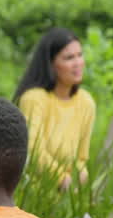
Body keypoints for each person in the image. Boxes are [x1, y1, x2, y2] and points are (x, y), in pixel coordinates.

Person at [13, 28, 95, 189]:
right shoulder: (33, 99)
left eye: (80, 55)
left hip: (69, 195)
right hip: (35, 191)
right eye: (69, 58)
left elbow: (81, 158)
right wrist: (61, 178)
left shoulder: (86, 102)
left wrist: (82, 175)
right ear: (51, 64)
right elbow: (33, 151)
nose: (78, 62)